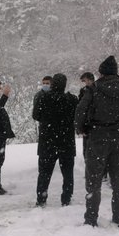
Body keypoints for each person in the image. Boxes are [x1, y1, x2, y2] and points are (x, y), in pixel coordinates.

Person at [75, 56, 119, 227]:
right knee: (118, 179)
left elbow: (80, 111)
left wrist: (81, 128)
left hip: (97, 135)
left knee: (93, 179)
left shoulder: (94, 89)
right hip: (117, 136)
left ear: (101, 72)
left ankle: (91, 219)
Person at [33, 73, 79, 207]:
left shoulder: (43, 98)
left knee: (44, 173)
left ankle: (41, 199)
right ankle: (66, 198)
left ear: (52, 84)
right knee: (68, 173)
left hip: (47, 141)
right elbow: (78, 118)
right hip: (66, 142)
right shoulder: (72, 100)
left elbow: (36, 115)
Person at [78, 72, 95, 157]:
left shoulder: (90, 91)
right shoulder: (84, 91)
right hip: (90, 124)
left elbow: (81, 109)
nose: (85, 83)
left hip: (91, 124)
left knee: (89, 151)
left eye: (85, 80)